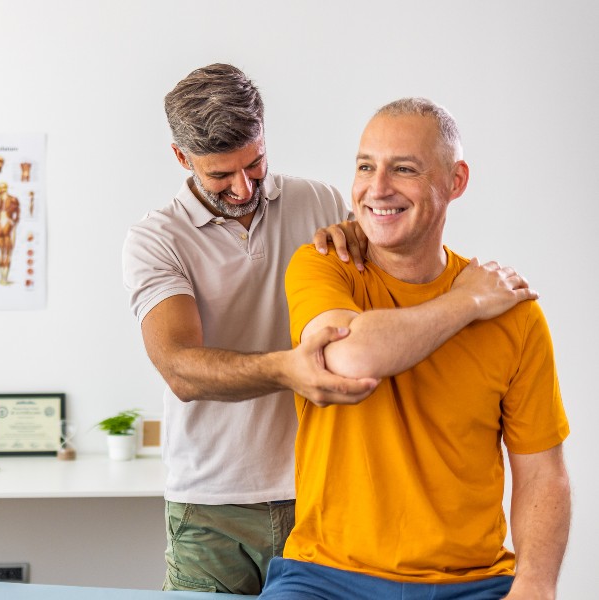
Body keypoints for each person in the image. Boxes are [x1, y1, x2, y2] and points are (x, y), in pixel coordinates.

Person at [261, 98, 571, 599]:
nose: (377, 188)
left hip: (472, 583)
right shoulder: (323, 267)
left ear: (456, 181)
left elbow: (542, 470)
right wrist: (467, 301)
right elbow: (348, 357)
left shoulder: (515, 315)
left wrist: (535, 584)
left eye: (403, 169)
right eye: (366, 166)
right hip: (323, 577)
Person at [122, 63, 380, 595]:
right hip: (210, 508)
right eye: (221, 175)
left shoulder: (322, 203)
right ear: (180, 157)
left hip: (319, 492)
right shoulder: (157, 239)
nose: (243, 188)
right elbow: (180, 368)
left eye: (255, 164)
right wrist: (290, 369)